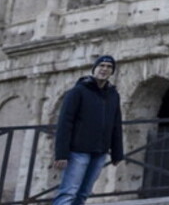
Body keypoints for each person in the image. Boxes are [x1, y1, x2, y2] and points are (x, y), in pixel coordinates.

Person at [53, 55, 124, 205]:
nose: (104, 69)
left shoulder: (113, 95)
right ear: (94, 68)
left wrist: (117, 152)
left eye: (109, 67)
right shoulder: (78, 91)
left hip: (100, 152)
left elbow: (116, 124)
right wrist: (61, 153)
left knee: (84, 193)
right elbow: (65, 123)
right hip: (78, 151)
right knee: (68, 192)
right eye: (101, 65)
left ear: (112, 72)